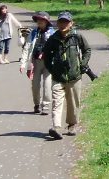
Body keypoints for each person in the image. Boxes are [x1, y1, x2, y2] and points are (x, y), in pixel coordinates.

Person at [43, 11, 91, 140]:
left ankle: (72, 125)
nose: (63, 24)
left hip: (74, 76)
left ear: (71, 23)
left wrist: (83, 64)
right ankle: (56, 127)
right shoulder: (53, 38)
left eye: (66, 22)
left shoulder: (77, 36)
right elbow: (46, 55)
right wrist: (51, 69)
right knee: (57, 101)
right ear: (57, 23)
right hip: (58, 77)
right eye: (61, 22)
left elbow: (87, 50)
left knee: (73, 102)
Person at [20, 11, 55, 115]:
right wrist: (23, 64)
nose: (39, 22)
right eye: (38, 20)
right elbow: (27, 48)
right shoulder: (34, 33)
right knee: (35, 85)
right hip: (35, 62)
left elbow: (55, 48)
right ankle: (36, 104)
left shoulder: (52, 34)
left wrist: (46, 54)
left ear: (46, 22)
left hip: (48, 63)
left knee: (47, 84)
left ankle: (45, 106)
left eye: (42, 20)